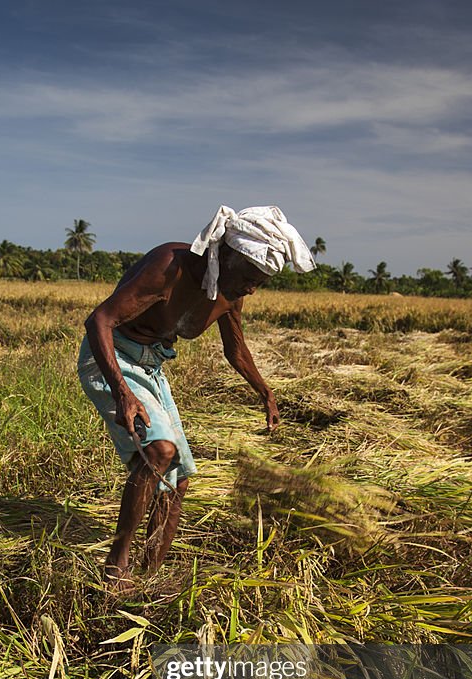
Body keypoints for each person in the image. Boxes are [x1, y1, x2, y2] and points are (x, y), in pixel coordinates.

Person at [78, 205, 315, 586]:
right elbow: (100, 321)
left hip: (151, 366)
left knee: (179, 479)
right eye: (251, 277)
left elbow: (235, 350)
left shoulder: (230, 290)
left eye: (262, 282)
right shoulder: (170, 266)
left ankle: (150, 577)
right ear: (228, 255)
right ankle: (115, 568)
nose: (253, 288)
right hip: (113, 358)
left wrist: (266, 393)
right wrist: (122, 393)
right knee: (159, 451)